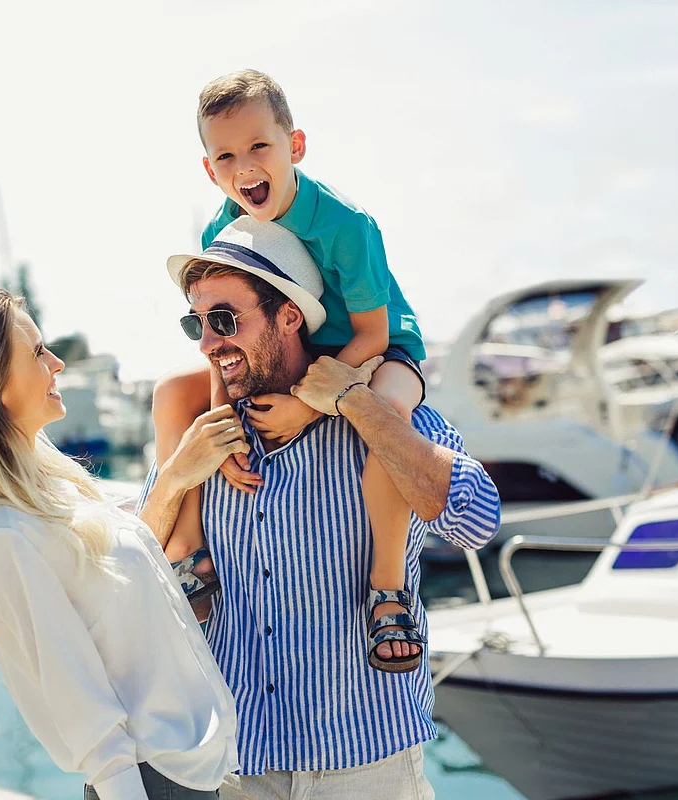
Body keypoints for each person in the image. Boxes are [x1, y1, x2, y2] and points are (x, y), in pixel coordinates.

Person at [139, 220, 501, 799]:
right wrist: (177, 475)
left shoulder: (382, 414)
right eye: (196, 324)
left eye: (224, 320)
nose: (207, 343)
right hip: (238, 764)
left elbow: (476, 522)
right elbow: (139, 567)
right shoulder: (200, 436)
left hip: (367, 763)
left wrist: (358, 405)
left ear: (289, 316)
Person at [0, 288, 242, 800]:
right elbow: (82, 711)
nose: (57, 363)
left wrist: (175, 478)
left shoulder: (56, 493)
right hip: (154, 784)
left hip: (187, 772)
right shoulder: (4, 534)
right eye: (38, 352)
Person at [154, 69, 430, 672]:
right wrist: (223, 428)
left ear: (295, 146)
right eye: (226, 155)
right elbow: (222, 343)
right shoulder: (222, 229)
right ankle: (188, 549)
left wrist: (310, 405)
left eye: (259, 145)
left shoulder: (346, 225)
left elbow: (373, 334)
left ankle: (387, 588)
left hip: (378, 351)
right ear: (209, 169)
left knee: (386, 412)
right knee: (174, 394)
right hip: (287, 350)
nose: (244, 166)